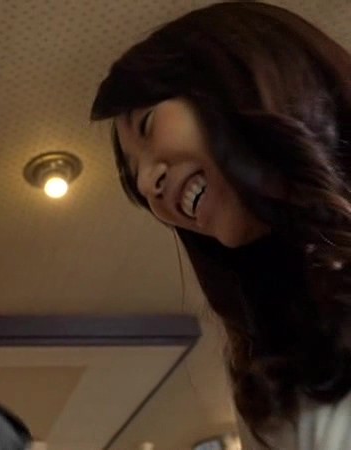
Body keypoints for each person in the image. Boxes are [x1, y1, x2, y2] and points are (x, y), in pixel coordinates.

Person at [91, 2, 351, 449]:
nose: (147, 185)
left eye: (148, 124)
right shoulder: (264, 376)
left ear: (234, 81)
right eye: (136, 180)